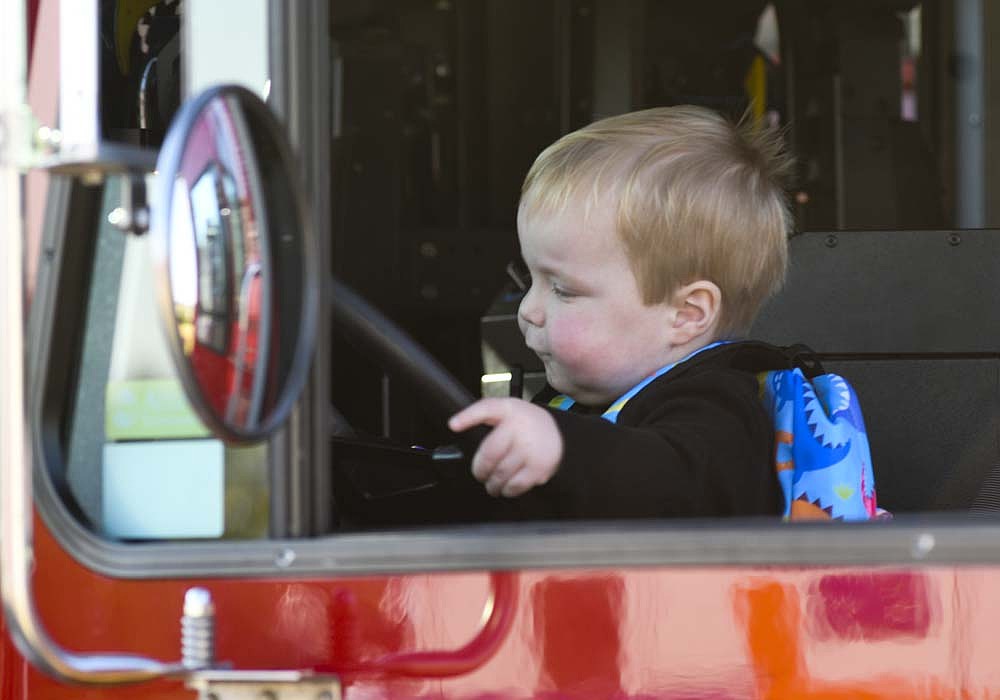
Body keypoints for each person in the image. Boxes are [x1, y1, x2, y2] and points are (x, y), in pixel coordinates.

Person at [448, 105, 793, 519]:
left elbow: (668, 481)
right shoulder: (574, 401)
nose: (528, 311)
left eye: (561, 289)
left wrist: (561, 446)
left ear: (685, 314)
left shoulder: (720, 413)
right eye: (529, 280)